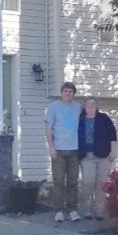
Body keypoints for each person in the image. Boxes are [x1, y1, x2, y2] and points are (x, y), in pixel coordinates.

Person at [43, 80, 84, 223]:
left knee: (73, 182)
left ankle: (72, 209)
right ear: (61, 93)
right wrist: (51, 146)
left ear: (73, 94)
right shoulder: (53, 106)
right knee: (58, 182)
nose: (68, 93)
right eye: (65, 91)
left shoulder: (78, 107)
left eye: (70, 91)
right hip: (58, 150)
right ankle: (59, 211)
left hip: (74, 150)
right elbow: (48, 128)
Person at [77, 97, 118, 219]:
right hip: (87, 156)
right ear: (84, 106)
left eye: (93, 103)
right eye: (88, 104)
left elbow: (113, 135)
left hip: (104, 156)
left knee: (101, 184)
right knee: (88, 182)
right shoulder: (80, 120)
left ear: (96, 106)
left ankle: (99, 211)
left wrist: (113, 151)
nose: (90, 106)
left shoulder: (104, 118)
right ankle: (87, 210)